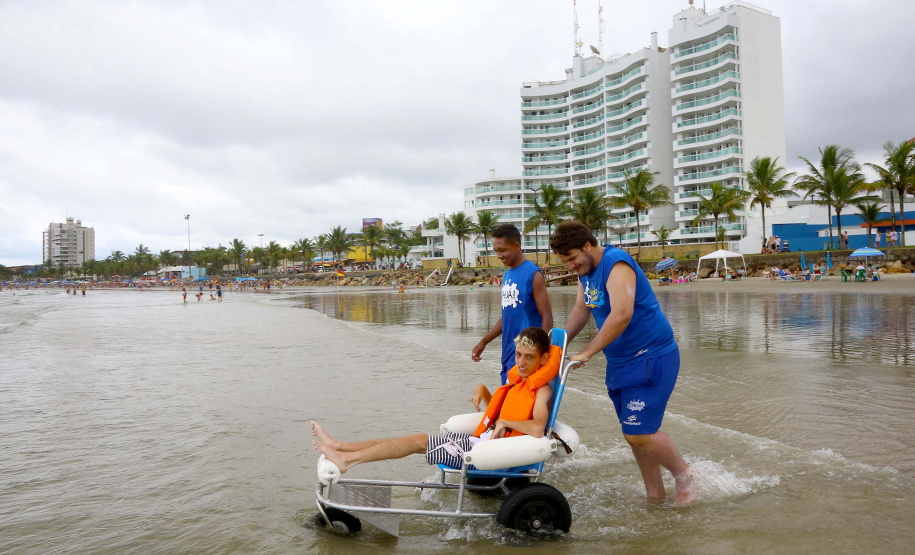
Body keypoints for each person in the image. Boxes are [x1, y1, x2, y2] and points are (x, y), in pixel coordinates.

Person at [549, 220, 697, 505]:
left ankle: (687, 477)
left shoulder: (616, 263)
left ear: (588, 246)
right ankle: (655, 495)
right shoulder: (585, 272)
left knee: (638, 432)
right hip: (620, 362)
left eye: (571, 258)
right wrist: (558, 345)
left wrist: (588, 352)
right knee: (635, 434)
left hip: (651, 355)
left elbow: (622, 314)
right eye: (564, 261)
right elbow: (581, 309)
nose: (569, 266)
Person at [312, 327, 558, 473]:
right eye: (518, 355)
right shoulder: (519, 382)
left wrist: (505, 423)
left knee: (418, 441)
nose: (521, 363)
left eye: (529, 357)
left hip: (490, 455)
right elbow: (501, 412)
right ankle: (342, 447)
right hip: (479, 443)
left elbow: (537, 428)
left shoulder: (542, 391)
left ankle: (347, 461)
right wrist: (483, 391)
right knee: (407, 439)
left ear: (544, 359)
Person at [472, 224, 553, 385]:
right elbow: (507, 317)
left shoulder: (533, 274)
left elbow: (547, 316)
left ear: (516, 246)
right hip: (509, 354)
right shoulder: (508, 275)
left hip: (526, 359)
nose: (498, 255)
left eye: (502, 250)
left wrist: (539, 354)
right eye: (496, 251)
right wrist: (484, 341)